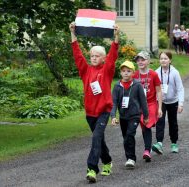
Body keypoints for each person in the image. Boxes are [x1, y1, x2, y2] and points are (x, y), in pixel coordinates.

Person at [69, 22, 119, 183]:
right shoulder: (86, 70)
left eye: (97, 55)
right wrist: (73, 34)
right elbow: (77, 55)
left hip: (104, 111)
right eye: (92, 55)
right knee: (99, 140)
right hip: (90, 113)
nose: (94, 58)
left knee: (96, 137)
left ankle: (91, 169)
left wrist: (116, 37)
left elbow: (113, 56)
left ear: (103, 58)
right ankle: (107, 162)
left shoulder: (107, 70)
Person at [111, 60, 149, 169]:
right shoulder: (117, 86)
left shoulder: (137, 85)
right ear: (121, 73)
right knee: (126, 138)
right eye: (123, 71)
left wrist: (146, 116)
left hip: (135, 115)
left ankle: (131, 159)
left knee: (130, 135)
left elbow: (143, 101)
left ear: (133, 73)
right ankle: (128, 157)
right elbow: (113, 103)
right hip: (123, 116)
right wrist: (113, 116)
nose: (126, 73)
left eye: (128, 71)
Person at [133, 51, 162, 162]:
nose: (140, 62)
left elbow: (159, 91)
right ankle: (146, 149)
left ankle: (147, 150)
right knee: (144, 127)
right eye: (138, 60)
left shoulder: (153, 74)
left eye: (143, 59)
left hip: (150, 104)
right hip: (138, 105)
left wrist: (159, 107)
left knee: (147, 124)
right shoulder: (134, 75)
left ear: (148, 61)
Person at [153, 52, 184, 154]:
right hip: (161, 101)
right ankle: (159, 143)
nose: (163, 60)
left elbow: (180, 89)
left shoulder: (175, 72)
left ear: (170, 60)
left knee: (173, 122)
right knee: (160, 121)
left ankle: (174, 143)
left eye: (165, 58)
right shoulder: (156, 72)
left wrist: (181, 103)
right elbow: (154, 89)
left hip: (173, 101)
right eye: (161, 58)